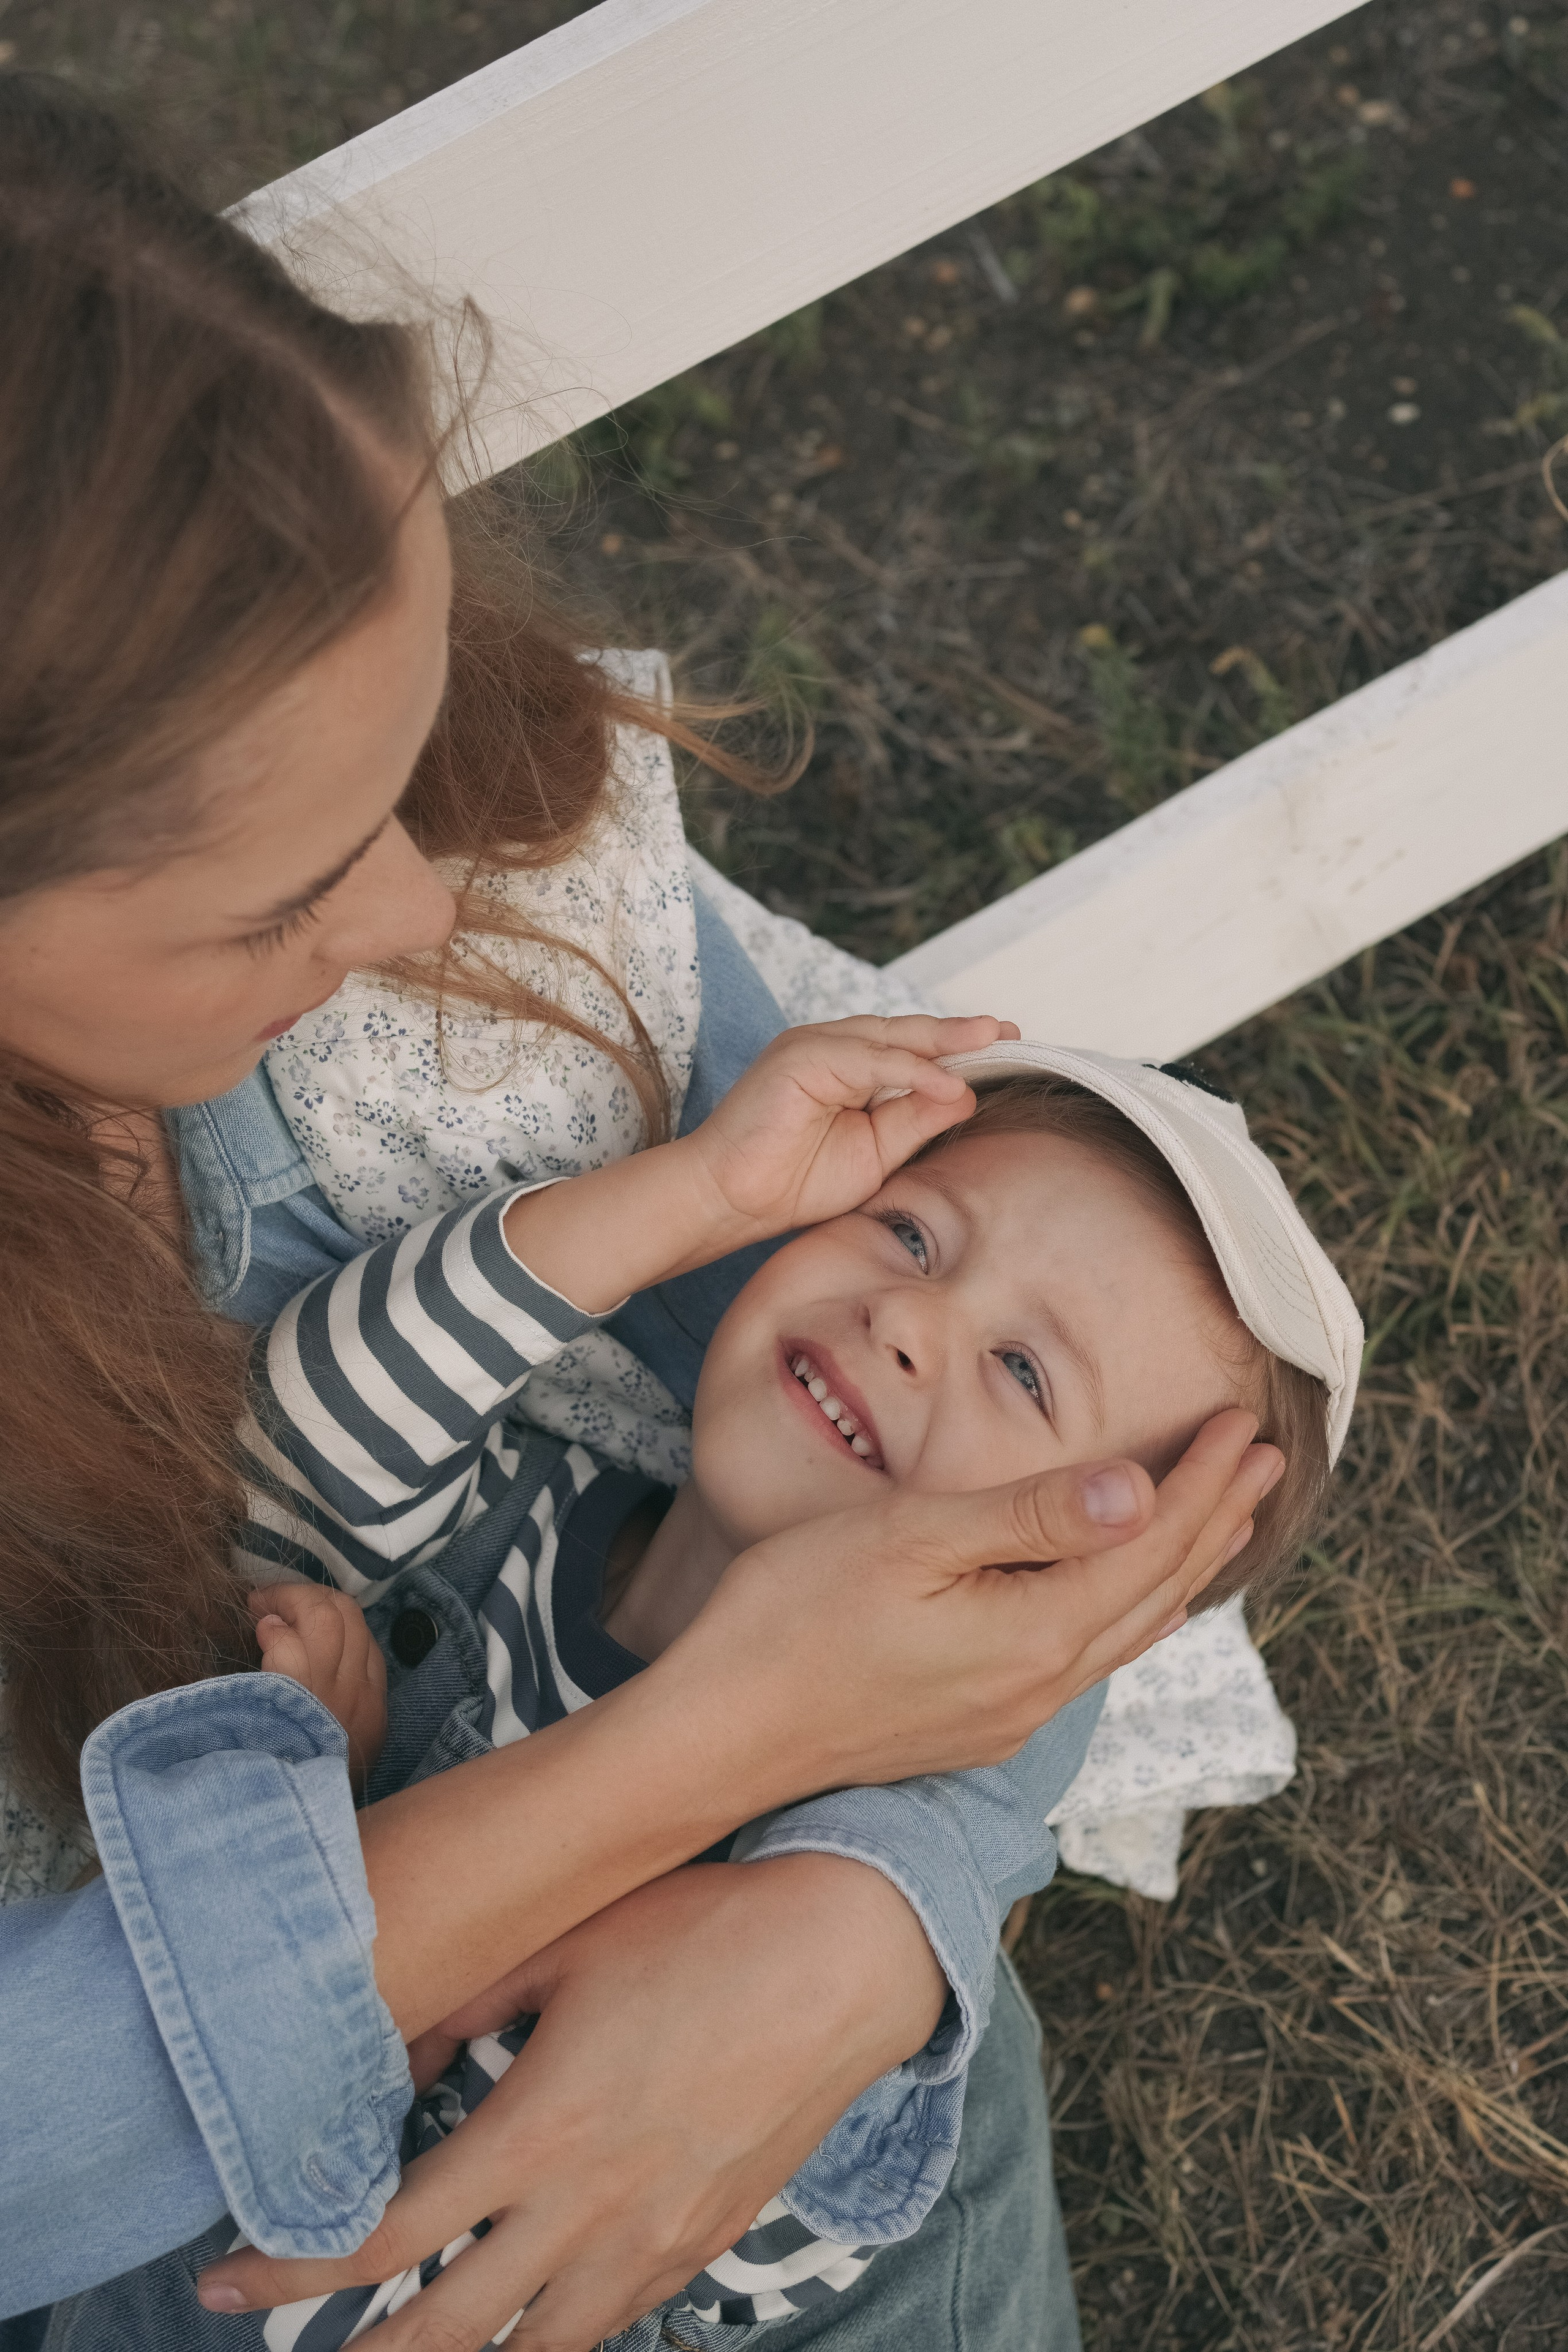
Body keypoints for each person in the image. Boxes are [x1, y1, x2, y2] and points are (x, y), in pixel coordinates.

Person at [0, 71, 1289, 2352]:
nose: (424, 904)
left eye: (399, 768)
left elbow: (1087, 1499)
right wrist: (717, 1753)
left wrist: (871, 1898)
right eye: (290, 890)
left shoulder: (506, 919)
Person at [59, 1027, 1356, 2350]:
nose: (907, 1320)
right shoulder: (513, 1505)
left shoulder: (806, 1951)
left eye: (1022, 1373)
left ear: (1090, 1591)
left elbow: (424, 2273)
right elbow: (283, 1451)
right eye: (910, 1234)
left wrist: (324, 1830)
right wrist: (691, 1195)